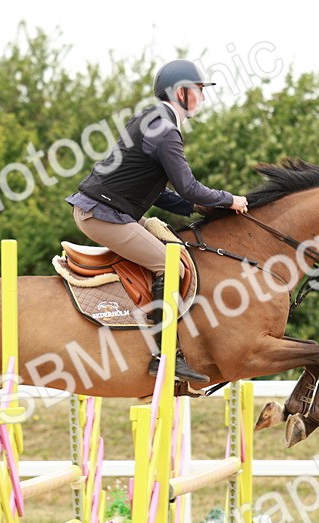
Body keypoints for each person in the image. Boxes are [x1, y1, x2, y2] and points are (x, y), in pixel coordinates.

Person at [66, 59, 248, 383]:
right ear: (181, 93)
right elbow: (188, 187)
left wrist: (199, 208)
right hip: (102, 214)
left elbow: (157, 192)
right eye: (199, 91)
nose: (203, 98)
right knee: (171, 265)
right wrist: (228, 199)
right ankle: (164, 356)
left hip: (106, 209)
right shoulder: (165, 130)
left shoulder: (151, 119)